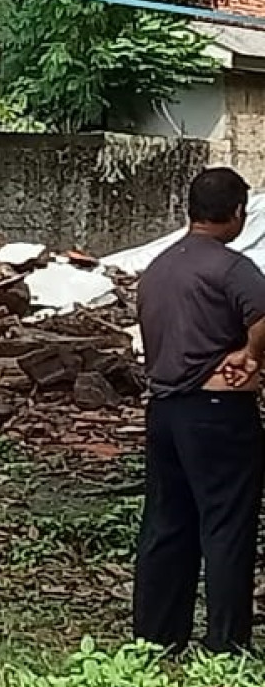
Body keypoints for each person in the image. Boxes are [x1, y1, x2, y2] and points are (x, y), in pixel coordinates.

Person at [133, 166, 265, 655]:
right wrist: (250, 352)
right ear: (235, 213)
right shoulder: (231, 267)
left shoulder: (159, 267)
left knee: (168, 523)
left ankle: (156, 639)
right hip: (218, 409)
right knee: (227, 524)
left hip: (165, 409)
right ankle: (226, 645)